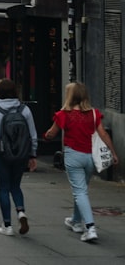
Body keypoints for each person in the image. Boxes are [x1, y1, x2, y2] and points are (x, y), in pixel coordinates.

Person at [43, 82, 119, 243]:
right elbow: (103, 134)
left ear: (69, 96)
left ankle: (90, 227)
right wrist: (113, 152)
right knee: (81, 190)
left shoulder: (64, 114)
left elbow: (51, 133)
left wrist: (46, 136)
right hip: (89, 157)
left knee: (80, 192)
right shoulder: (93, 114)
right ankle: (75, 221)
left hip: (73, 157)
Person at [0, 78, 37, 236]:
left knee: (4, 188)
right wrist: (32, 154)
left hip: (3, 155)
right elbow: (32, 134)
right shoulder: (24, 110)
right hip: (21, 155)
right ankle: (21, 211)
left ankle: (7, 225)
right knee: (16, 186)